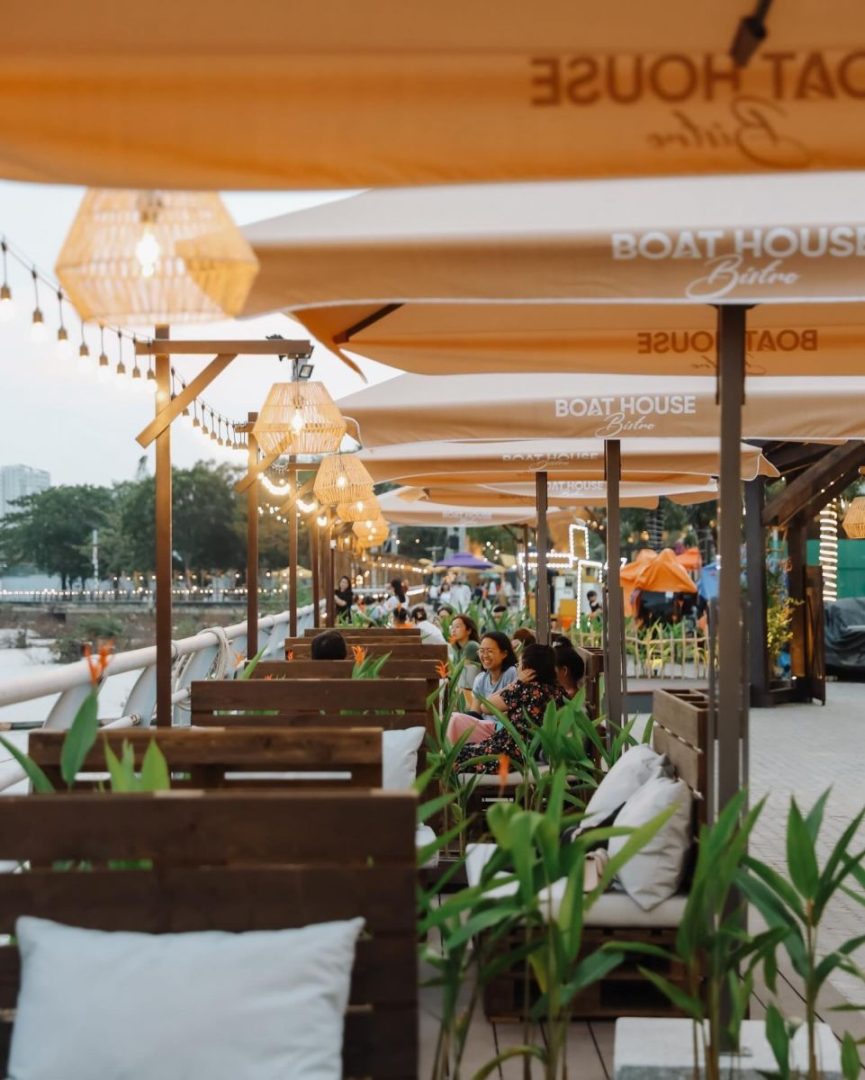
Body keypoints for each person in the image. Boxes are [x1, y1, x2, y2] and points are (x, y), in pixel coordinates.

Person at [451, 644, 564, 773]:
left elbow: (485, 706)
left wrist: (517, 683)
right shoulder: (558, 692)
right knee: (461, 751)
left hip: (510, 753)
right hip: (524, 752)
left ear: (528, 668)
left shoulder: (525, 689)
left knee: (453, 755)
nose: (518, 669)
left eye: (519, 664)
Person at [446, 632, 519, 744]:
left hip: (502, 729)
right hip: (483, 727)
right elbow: (475, 712)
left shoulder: (511, 673)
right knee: (452, 719)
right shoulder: (481, 679)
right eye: (481, 651)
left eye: (489, 651)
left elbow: (511, 711)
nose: (484, 655)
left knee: (456, 719)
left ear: (504, 654)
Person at [449, 613, 481, 692]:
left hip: (472, 689)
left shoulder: (471, 646)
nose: (453, 630)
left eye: (457, 627)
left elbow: (458, 670)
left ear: (468, 630)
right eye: (452, 627)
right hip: (466, 686)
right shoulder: (460, 648)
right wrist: (454, 646)